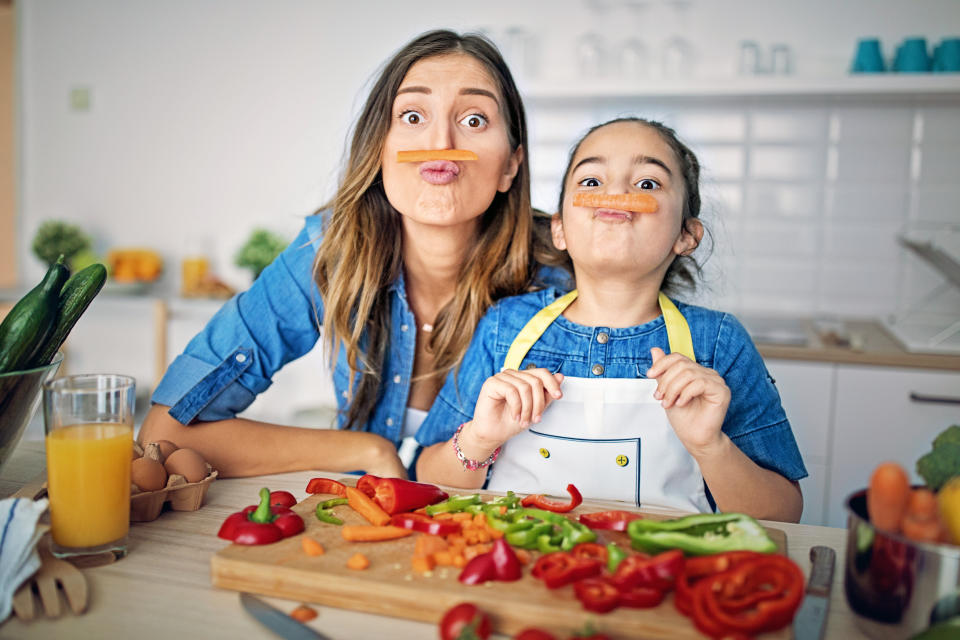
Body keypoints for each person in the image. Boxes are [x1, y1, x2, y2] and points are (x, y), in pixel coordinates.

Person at [138, 30, 570, 478]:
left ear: (510, 166)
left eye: (474, 120)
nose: (439, 142)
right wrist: (368, 453)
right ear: (379, 150)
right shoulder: (329, 250)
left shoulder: (563, 271)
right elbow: (165, 431)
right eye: (413, 115)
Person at [415, 117, 807, 522]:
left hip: (661, 578)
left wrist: (711, 446)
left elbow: (784, 515)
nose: (616, 194)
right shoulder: (504, 327)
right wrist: (480, 439)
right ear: (561, 229)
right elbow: (427, 478)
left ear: (686, 236)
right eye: (591, 182)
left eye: (647, 184)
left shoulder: (718, 341)